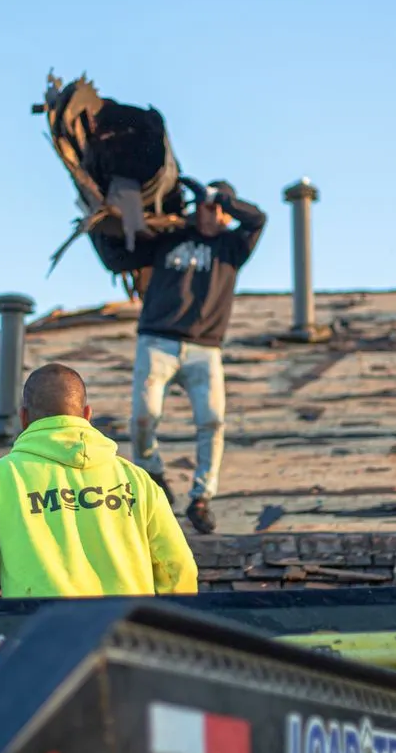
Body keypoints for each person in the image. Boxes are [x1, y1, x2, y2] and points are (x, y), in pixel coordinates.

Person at [0, 363, 198, 599]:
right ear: (87, 415)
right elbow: (178, 567)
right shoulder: (137, 480)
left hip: (39, 641)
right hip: (123, 638)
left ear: (24, 418)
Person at [94, 178, 267, 535]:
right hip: (157, 341)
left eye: (219, 209)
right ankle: (153, 472)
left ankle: (201, 498)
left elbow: (258, 219)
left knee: (212, 422)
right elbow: (120, 256)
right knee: (143, 417)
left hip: (205, 348)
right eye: (206, 206)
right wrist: (98, 225)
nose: (211, 214)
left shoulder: (231, 246)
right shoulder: (170, 236)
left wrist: (222, 199)